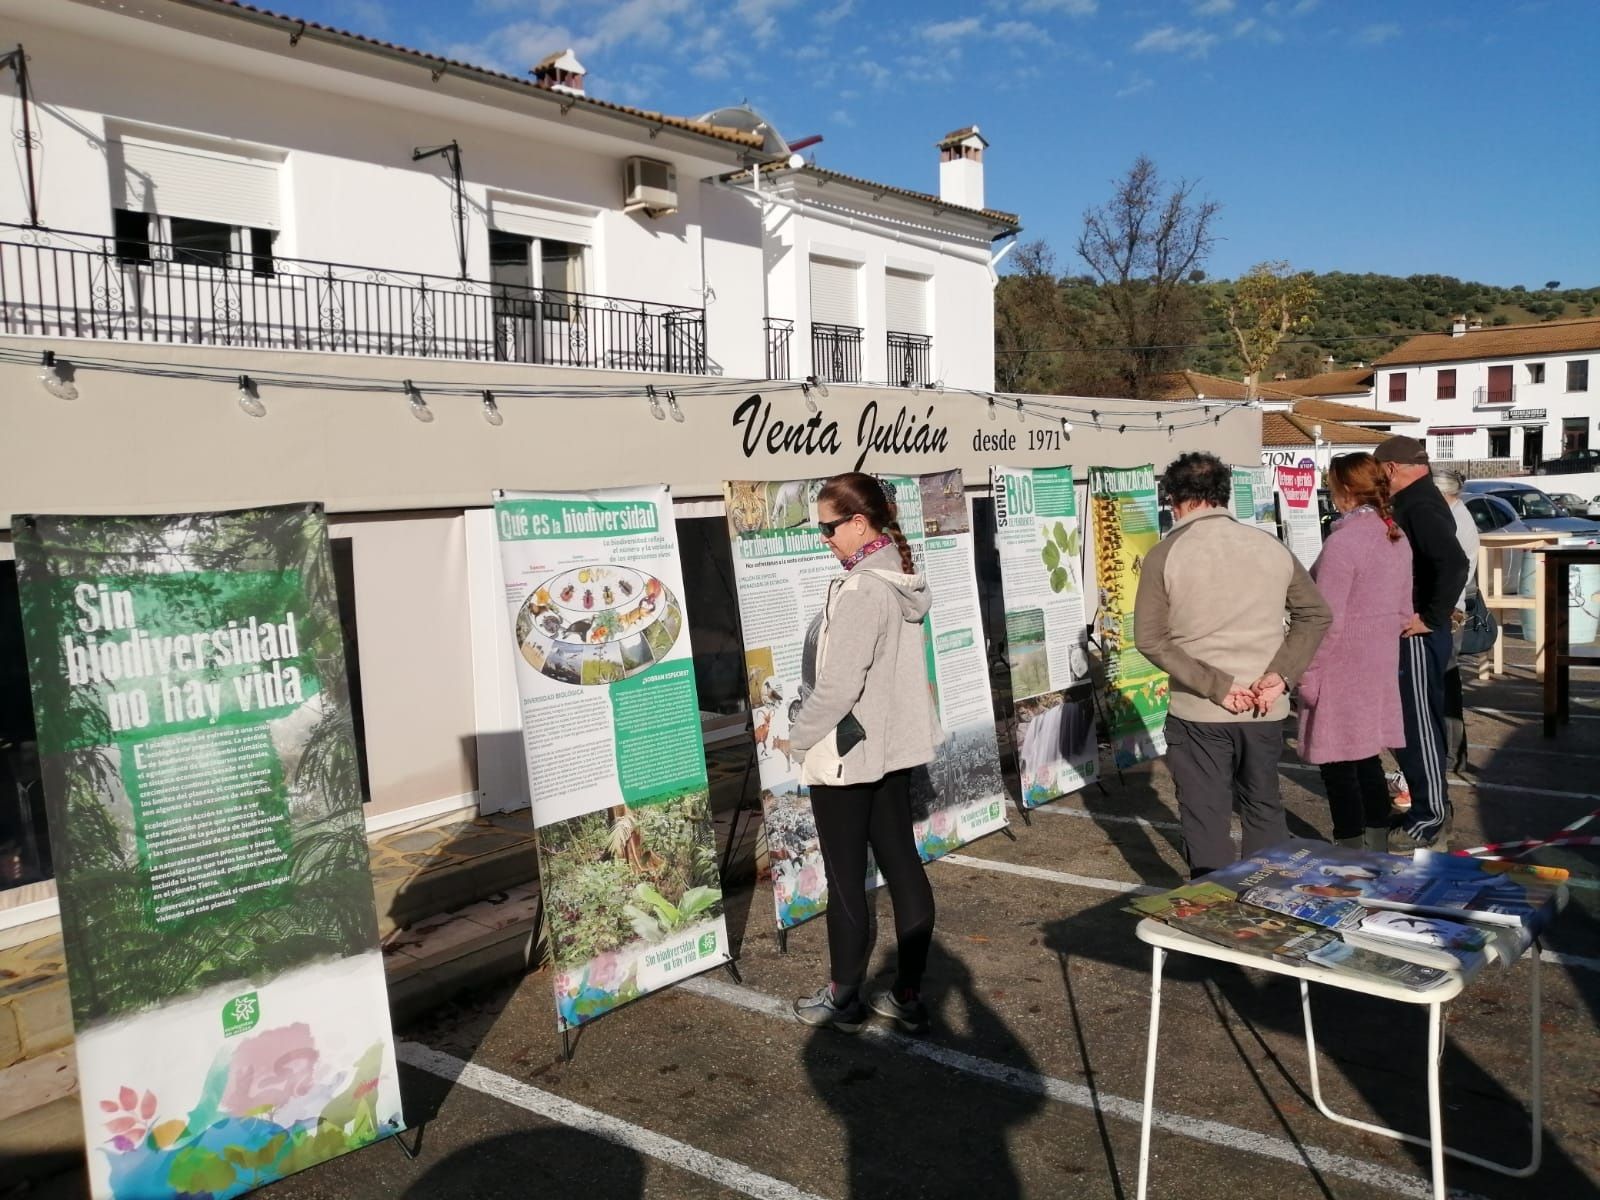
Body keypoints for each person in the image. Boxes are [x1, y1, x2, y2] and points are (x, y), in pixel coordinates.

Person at [787, 472, 944, 1035]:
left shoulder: (861, 590)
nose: (823, 538)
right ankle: (906, 994)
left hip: (850, 755)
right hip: (892, 751)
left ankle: (843, 995)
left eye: (829, 527)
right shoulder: (900, 580)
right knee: (902, 863)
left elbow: (837, 687)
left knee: (846, 877)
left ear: (859, 522)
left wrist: (797, 738)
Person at [1134, 452, 1332, 878]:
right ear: (1224, 495)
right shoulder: (1270, 546)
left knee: (1206, 816)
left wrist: (1216, 685)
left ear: (1176, 500)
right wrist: (1281, 676)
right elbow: (1315, 614)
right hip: (1265, 704)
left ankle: (1214, 918)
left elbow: (1150, 639)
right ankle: (1270, 906)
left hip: (1200, 710)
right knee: (1263, 804)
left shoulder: (1165, 554)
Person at [1296, 453, 1413, 851]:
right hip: (1378, 663)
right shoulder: (1393, 535)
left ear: (1345, 489)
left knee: (1338, 764)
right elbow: (1402, 611)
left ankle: (1349, 850)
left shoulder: (1344, 542)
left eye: (1331, 484)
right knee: (1365, 757)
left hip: (1341, 664)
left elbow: (1324, 619)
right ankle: (1377, 844)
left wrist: (1307, 672)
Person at [1373, 436, 1469, 851]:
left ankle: (1428, 819)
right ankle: (1433, 810)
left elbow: (1454, 561)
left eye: (1379, 472)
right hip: (1416, 630)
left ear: (1391, 468)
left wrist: (1429, 617)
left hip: (1417, 633)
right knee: (1415, 723)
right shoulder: (1419, 499)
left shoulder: (1419, 503)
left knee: (1419, 726)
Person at [1433, 468, 1480, 779]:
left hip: (1448, 613)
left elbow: (1453, 572)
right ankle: (1453, 754)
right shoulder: (1456, 515)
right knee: (1447, 687)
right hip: (1451, 611)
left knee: (1444, 688)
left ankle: (1449, 756)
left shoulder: (1454, 520)